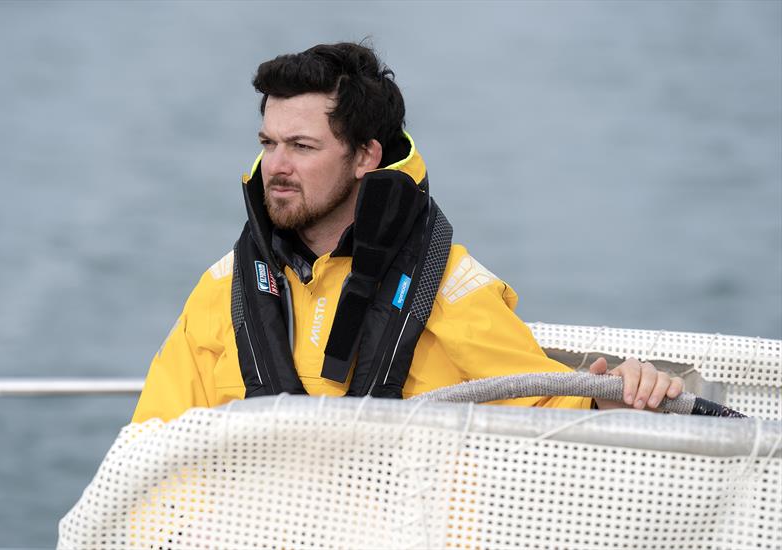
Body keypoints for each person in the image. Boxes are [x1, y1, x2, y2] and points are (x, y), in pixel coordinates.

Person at [132, 42, 683, 424]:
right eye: (268, 142)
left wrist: (618, 397)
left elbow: (547, 413)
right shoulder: (221, 291)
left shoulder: (449, 288)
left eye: (301, 147)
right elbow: (153, 448)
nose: (275, 165)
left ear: (365, 156)